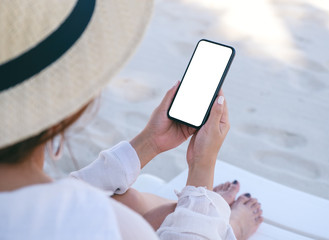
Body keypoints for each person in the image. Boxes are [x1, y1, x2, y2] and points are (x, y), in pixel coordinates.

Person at [0, 0, 263, 239]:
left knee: (128, 201)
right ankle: (223, 227)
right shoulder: (103, 223)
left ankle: (194, 211)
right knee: (128, 206)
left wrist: (149, 142)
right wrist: (202, 166)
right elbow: (74, 210)